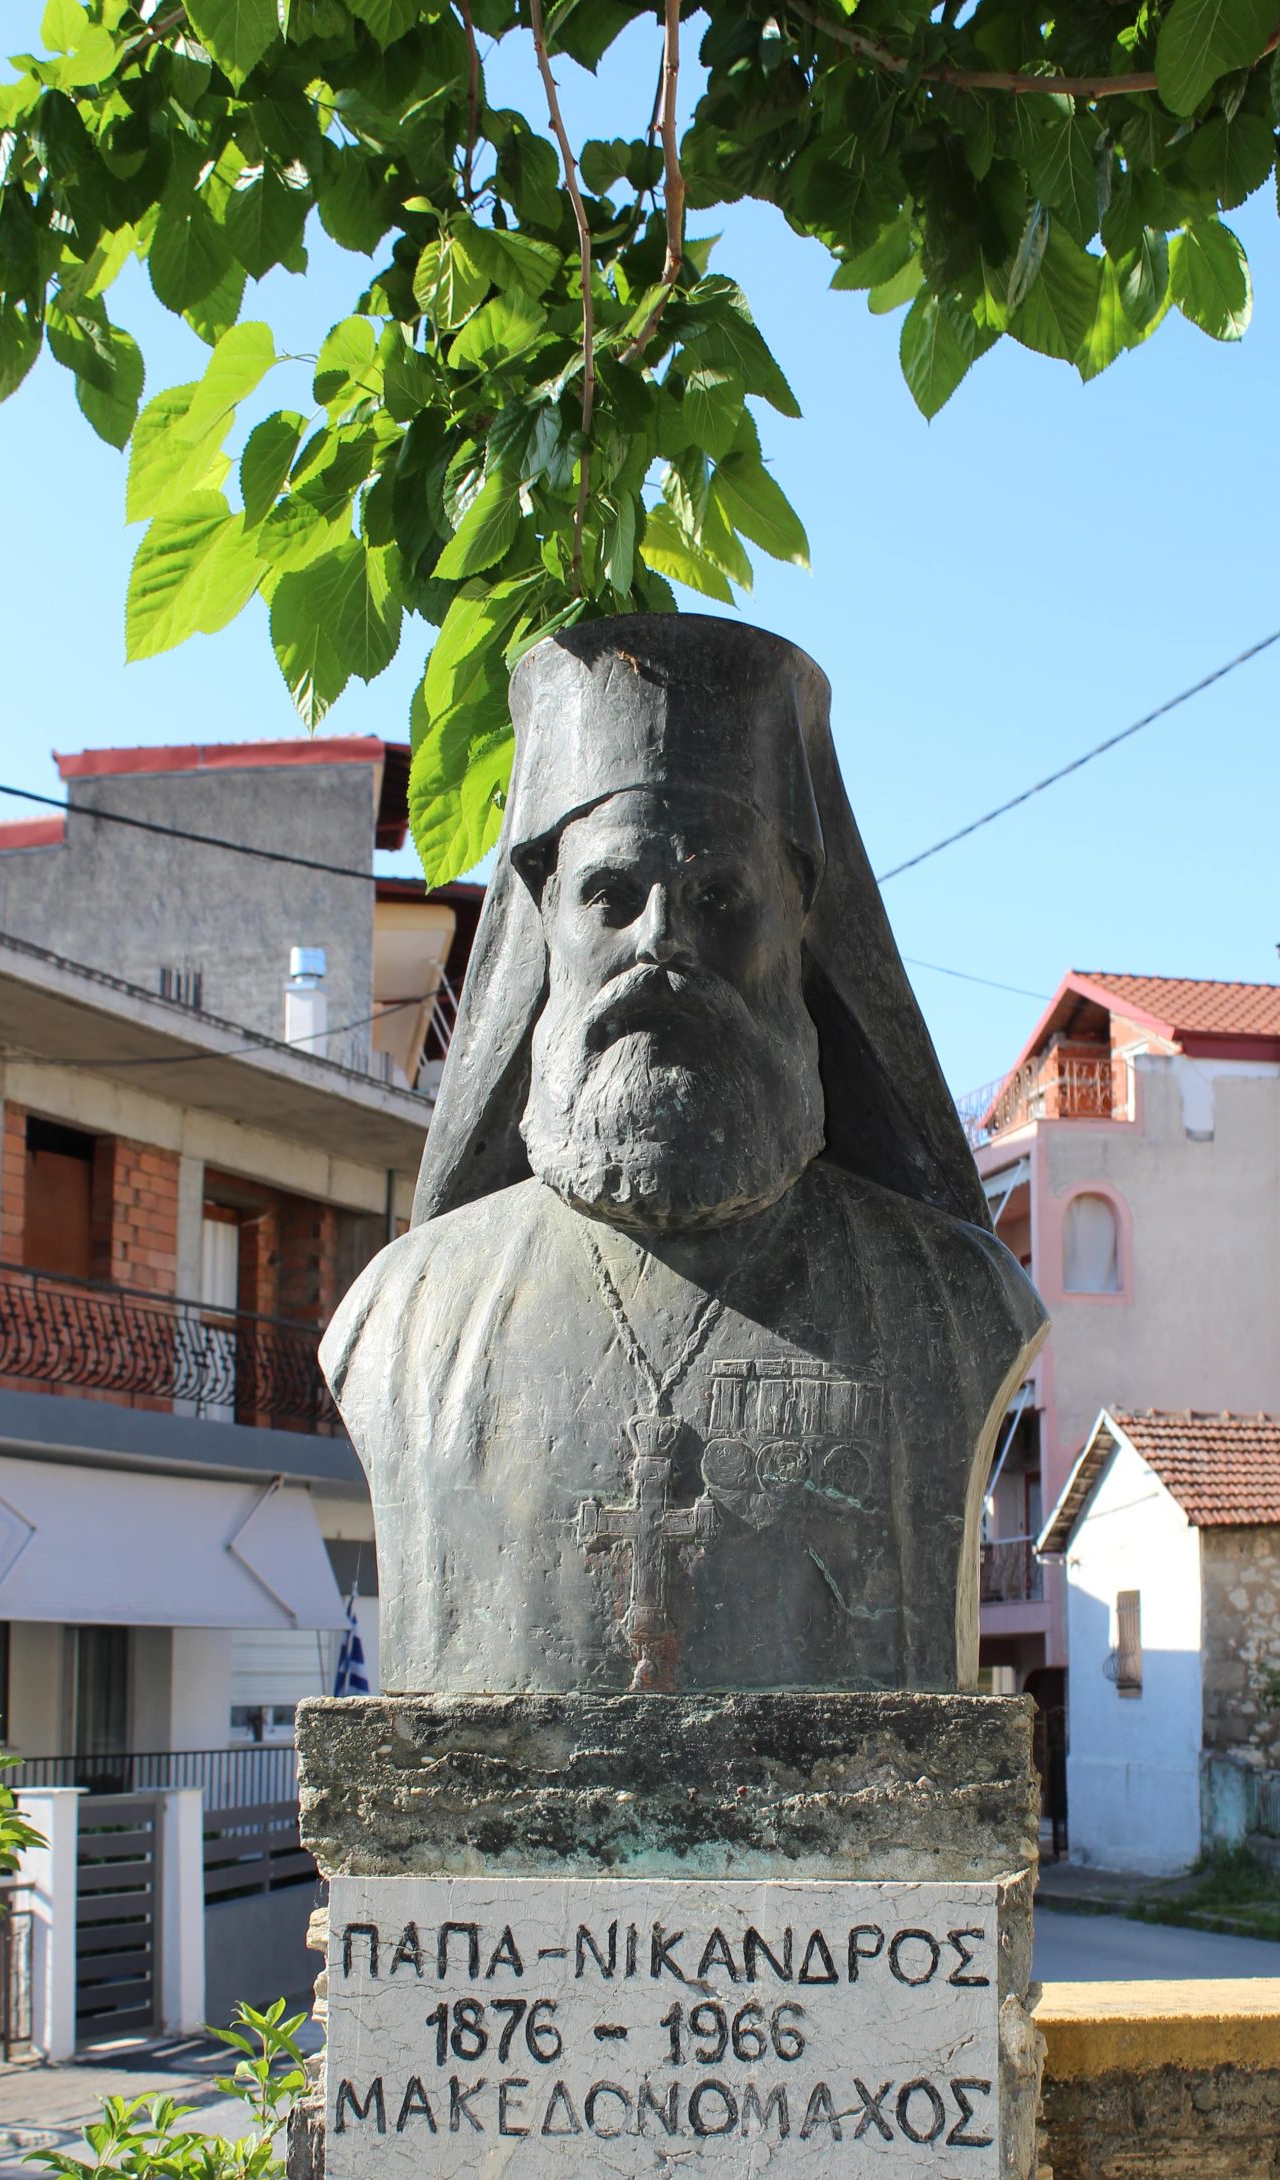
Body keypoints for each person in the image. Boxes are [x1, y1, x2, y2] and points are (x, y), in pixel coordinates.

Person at [324, 616, 1046, 1697]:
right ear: (547, 923)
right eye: (611, 895)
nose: (661, 938)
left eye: (719, 898)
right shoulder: (408, 1318)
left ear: (798, 927)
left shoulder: (946, 1302)